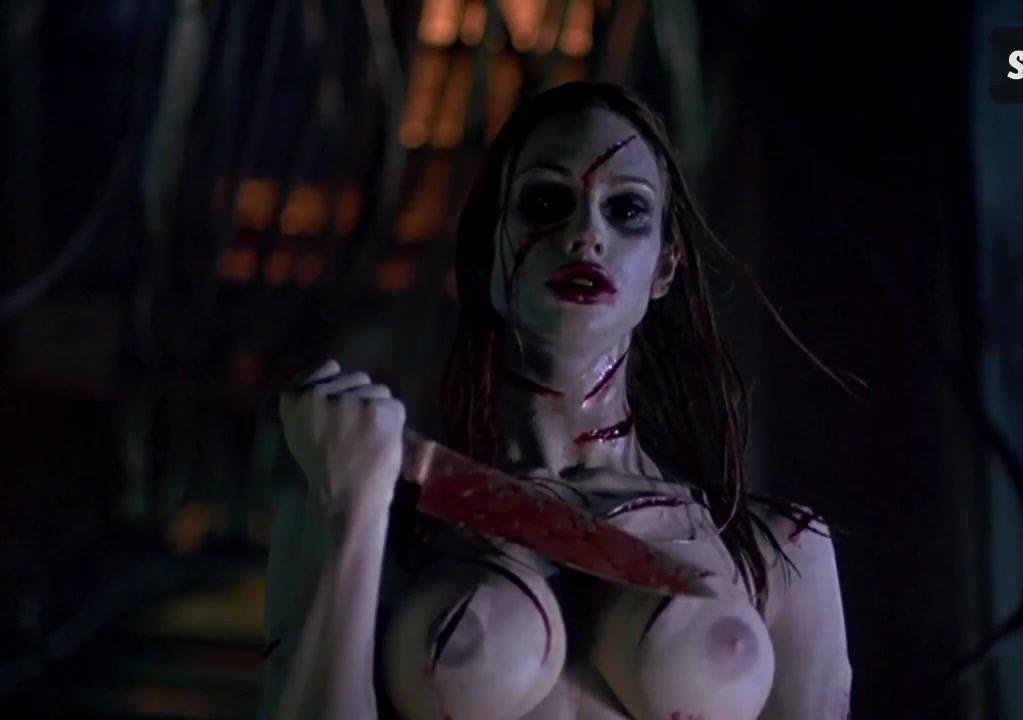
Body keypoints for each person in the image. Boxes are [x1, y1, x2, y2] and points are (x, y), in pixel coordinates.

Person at [259, 81, 852, 720]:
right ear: (487, 248)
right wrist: (350, 511)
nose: (585, 233)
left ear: (665, 266)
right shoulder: (370, 510)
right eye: (545, 202)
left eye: (626, 209)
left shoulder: (780, 550)